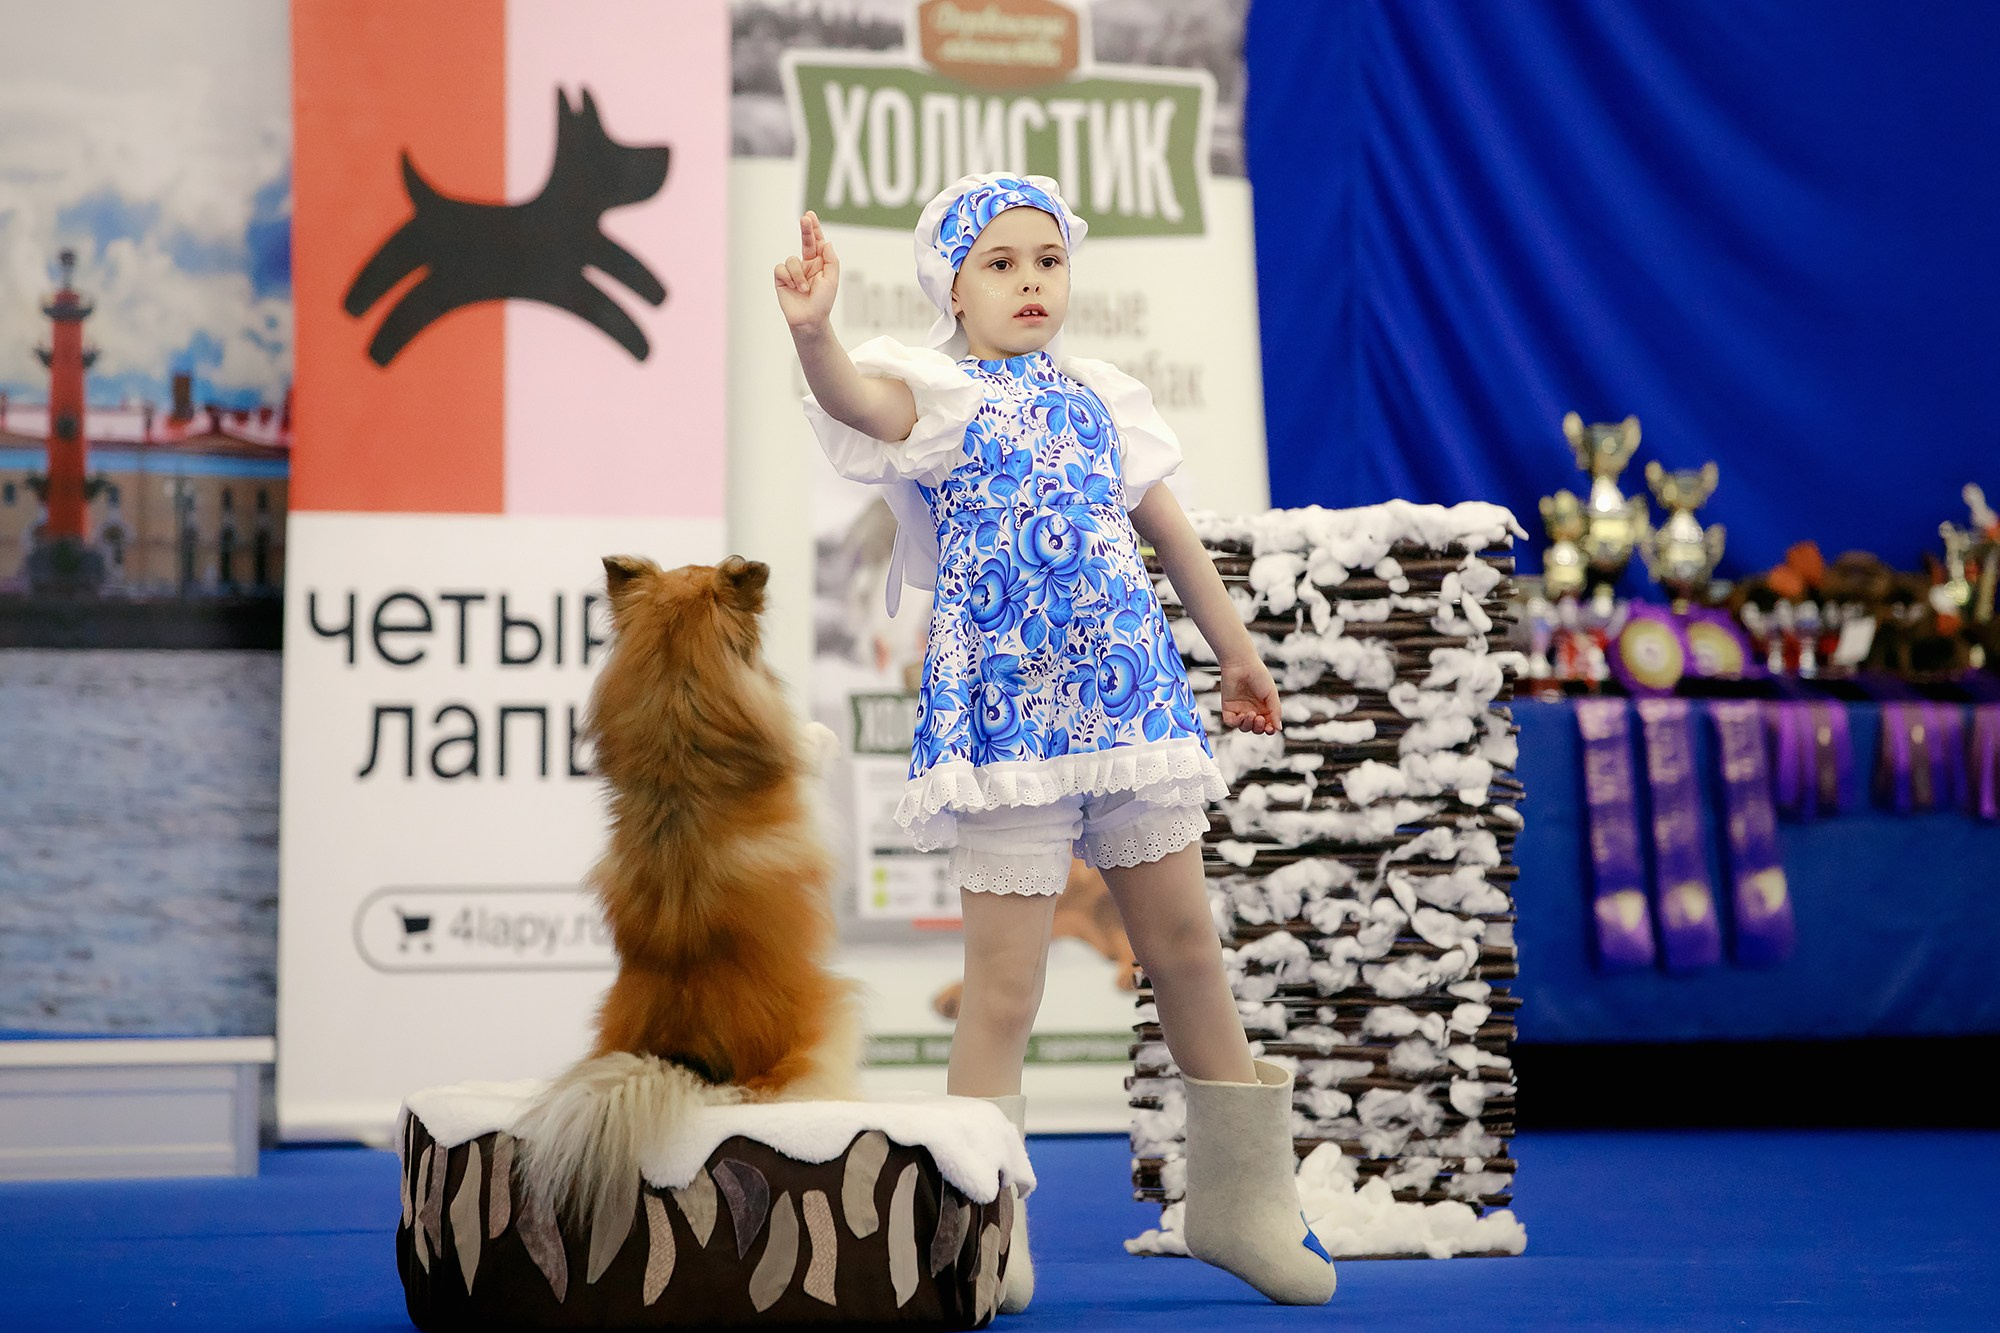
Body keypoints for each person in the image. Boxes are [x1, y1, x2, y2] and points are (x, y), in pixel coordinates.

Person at [775, 174, 1335, 1309]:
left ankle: (1240, 1204)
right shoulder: (937, 396)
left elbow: (1170, 536)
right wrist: (815, 332)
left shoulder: (1104, 398)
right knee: (1004, 987)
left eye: (1046, 259)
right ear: (953, 288)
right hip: (1007, 721)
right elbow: (853, 403)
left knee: (1184, 949)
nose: (1030, 281)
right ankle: (982, 1228)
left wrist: (1233, 651)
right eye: (999, 263)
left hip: (1127, 704)